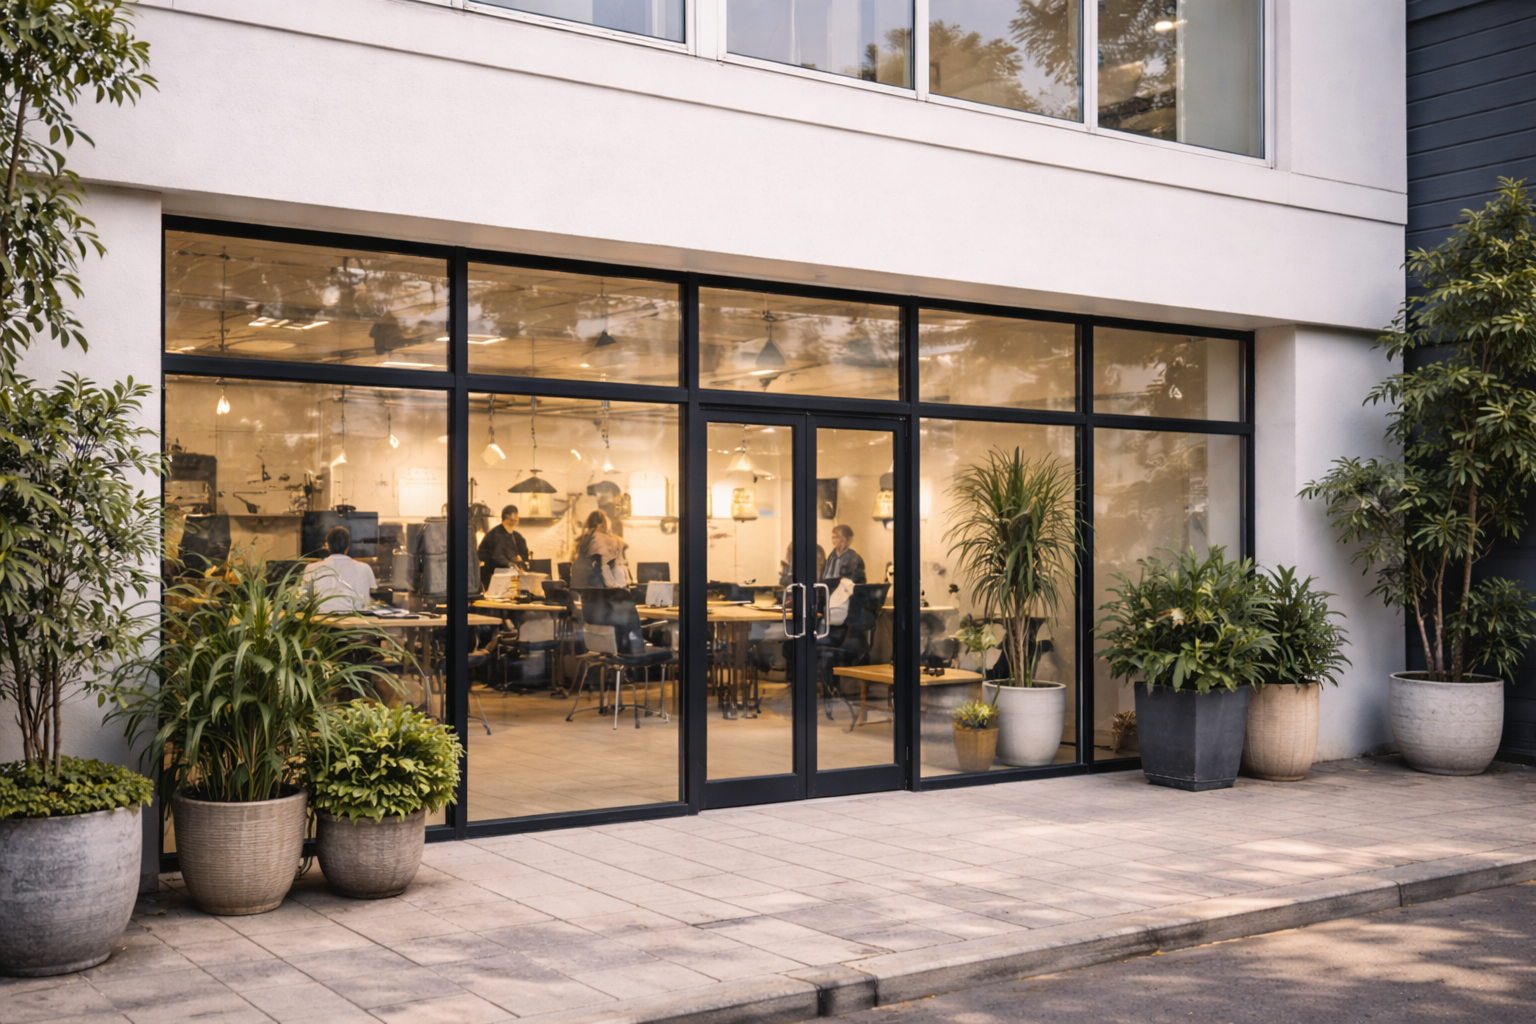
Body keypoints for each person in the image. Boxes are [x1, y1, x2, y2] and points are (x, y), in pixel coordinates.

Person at [303, 526, 377, 611]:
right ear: (348, 546)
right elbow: (368, 595)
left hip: (321, 618)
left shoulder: (311, 568)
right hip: (357, 618)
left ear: (327, 545)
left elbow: (304, 597)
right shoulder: (364, 568)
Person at [570, 510, 628, 588]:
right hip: (595, 587)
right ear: (604, 523)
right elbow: (605, 566)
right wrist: (615, 586)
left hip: (578, 586)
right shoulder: (603, 539)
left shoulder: (582, 538)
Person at [478, 504, 530, 588]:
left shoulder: (517, 537)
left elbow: (523, 554)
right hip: (493, 577)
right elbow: (497, 556)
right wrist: (512, 566)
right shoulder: (495, 534)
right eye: (515, 514)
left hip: (509, 576)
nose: (517, 517)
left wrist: (521, 565)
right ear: (507, 515)